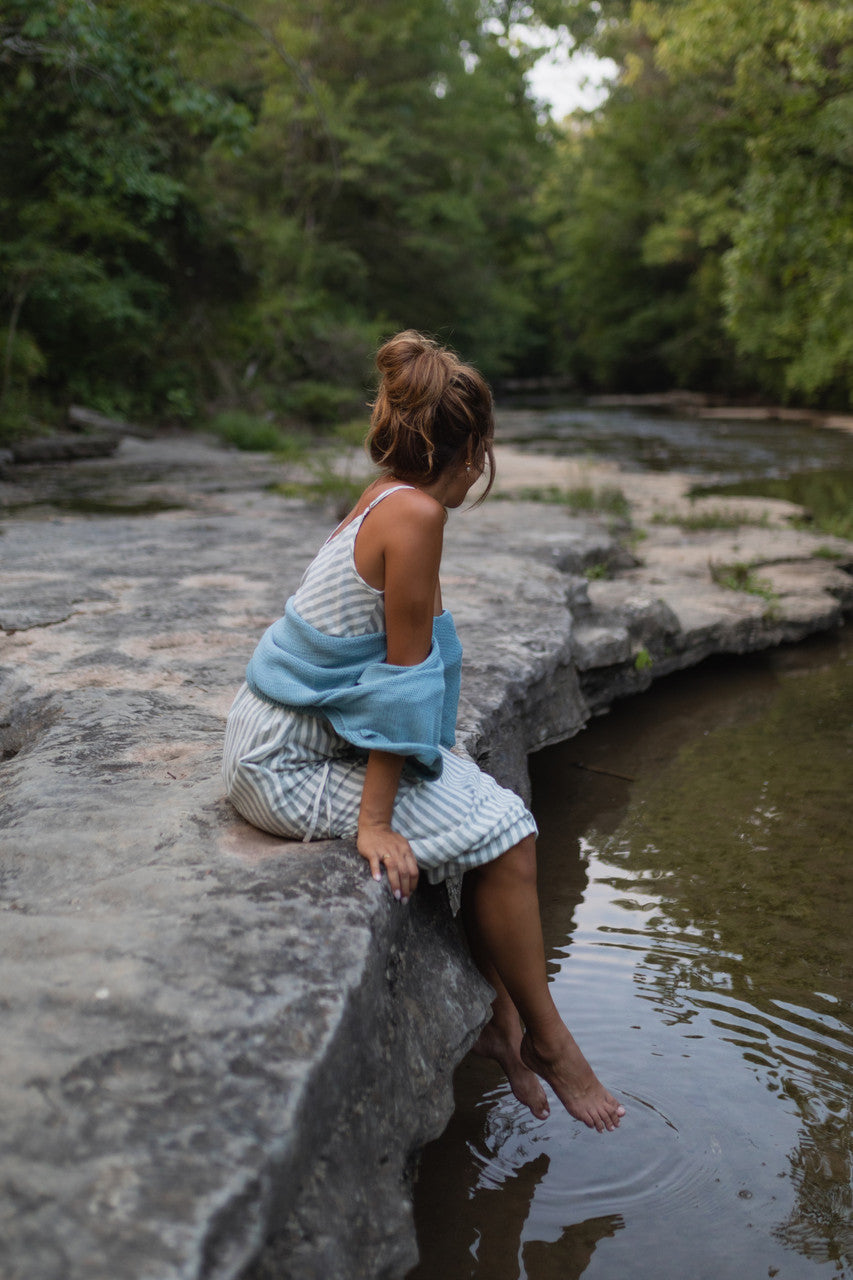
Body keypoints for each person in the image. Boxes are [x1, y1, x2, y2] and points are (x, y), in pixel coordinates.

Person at [222, 330, 625, 1132]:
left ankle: (501, 1018)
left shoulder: (388, 497)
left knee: (479, 809)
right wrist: (375, 822)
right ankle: (548, 1040)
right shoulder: (413, 517)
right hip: (283, 762)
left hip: (285, 731)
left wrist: (426, 774)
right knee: (508, 834)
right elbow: (401, 686)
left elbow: (404, 661)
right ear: (472, 451)